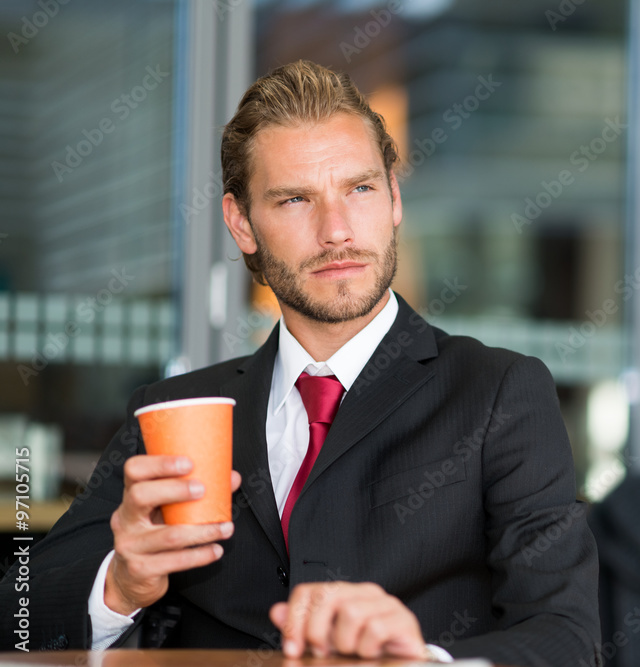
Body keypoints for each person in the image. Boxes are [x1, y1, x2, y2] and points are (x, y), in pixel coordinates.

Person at [0, 60, 599, 665]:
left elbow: (567, 639)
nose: (336, 230)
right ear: (242, 224)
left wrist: (424, 660)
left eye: (359, 189)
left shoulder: (498, 391)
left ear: (393, 197)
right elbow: (15, 615)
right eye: (294, 200)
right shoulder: (174, 413)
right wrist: (120, 585)